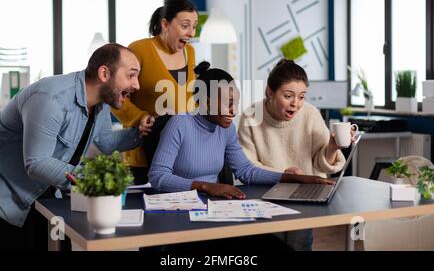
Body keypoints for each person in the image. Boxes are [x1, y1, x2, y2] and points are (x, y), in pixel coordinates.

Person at [0, 43, 150, 251]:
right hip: (5, 188)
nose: (136, 86)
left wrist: (141, 134)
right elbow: (36, 163)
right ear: (104, 73)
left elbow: (106, 142)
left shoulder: (100, 104)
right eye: (131, 75)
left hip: (45, 188)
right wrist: (97, 179)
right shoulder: (51, 99)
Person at [149, 61, 334, 197]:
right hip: (177, 207)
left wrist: (294, 178)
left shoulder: (226, 129)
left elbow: (246, 171)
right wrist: (205, 186)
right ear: (207, 102)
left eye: (236, 103)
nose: (234, 110)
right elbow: (158, 176)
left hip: (212, 208)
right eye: (229, 103)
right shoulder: (180, 124)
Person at [237, 59, 355, 250]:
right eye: (288, 96)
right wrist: (284, 174)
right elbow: (247, 166)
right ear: (270, 92)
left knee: (299, 244)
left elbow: (321, 165)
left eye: (301, 96)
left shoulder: (310, 114)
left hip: (303, 196)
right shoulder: (251, 115)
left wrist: (333, 146)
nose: (296, 104)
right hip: (265, 195)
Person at [112, 0, 199, 184]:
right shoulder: (139, 49)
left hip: (181, 155)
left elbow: (189, 97)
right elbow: (115, 95)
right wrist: (140, 117)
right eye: (185, 26)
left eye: (194, 26)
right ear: (165, 24)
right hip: (143, 156)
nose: (191, 33)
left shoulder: (190, 52)